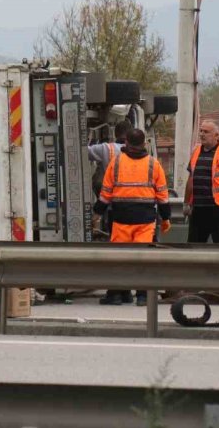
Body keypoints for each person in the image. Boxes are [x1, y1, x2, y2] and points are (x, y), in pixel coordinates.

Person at [95, 128, 171, 306]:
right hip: (145, 221)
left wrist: (97, 214)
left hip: (121, 219)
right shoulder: (154, 164)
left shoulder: (116, 163)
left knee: (120, 258)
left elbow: (105, 194)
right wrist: (166, 218)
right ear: (144, 143)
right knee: (143, 257)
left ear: (126, 143)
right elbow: (162, 196)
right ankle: (143, 295)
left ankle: (117, 294)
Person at [90, 120, 134, 304]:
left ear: (115, 133)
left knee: (116, 252)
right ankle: (130, 293)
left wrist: (96, 213)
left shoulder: (107, 150)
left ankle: (115, 293)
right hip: (141, 212)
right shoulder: (145, 157)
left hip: (116, 210)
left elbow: (80, 150)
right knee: (134, 254)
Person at [184, 120, 219, 244]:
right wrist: (186, 203)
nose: (202, 134)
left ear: (216, 135)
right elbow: (191, 178)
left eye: (206, 132)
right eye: (201, 131)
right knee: (193, 246)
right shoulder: (196, 151)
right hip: (197, 208)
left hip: (217, 209)